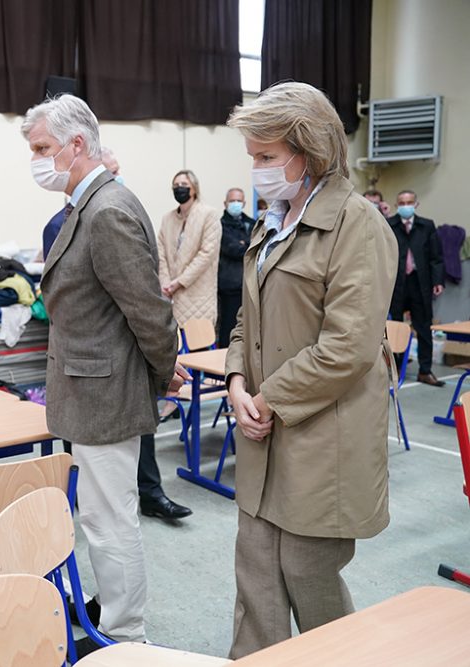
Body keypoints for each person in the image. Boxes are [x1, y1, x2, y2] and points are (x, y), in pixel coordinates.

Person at [225, 81, 397, 658]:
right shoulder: (269, 222)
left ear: (311, 149)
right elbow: (246, 324)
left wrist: (267, 399)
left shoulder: (357, 224)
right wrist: (235, 384)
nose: (257, 170)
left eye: (267, 157)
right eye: (252, 157)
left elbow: (347, 346)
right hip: (262, 431)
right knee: (255, 579)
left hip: (324, 440)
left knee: (308, 576)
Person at [22, 94, 187, 655]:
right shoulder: (87, 205)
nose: (37, 160)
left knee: (112, 520)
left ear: (76, 145)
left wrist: (164, 373)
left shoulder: (107, 210)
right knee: (98, 515)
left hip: (106, 394)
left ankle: (124, 633)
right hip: (90, 389)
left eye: (42, 148)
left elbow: (147, 309)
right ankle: (112, 605)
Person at [388, 190, 446, 386]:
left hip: (420, 282)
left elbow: (436, 257)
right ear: (397, 205)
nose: (406, 205)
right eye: (402, 202)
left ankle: (425, 370)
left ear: (416, 204)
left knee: (423, 326)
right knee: (395, 327)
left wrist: (438, 281)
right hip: (396, 284)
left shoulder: (426, 226)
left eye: (409, 202)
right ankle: (394, 368)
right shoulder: (390, 225)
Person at [157, 170, 222, 327]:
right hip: (171, 295)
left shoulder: (209, 215)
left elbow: (207, 254)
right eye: (176, 185)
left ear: (194, 188)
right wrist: (165, 283)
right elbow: (161, 254)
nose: (180, 188)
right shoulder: (168, 219)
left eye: (184, 185)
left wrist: (180, 282)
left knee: (200, 348)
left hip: (198, 295)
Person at [42, 147, 120, 260]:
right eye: (113, 172)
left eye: (117, 171)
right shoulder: (57, 227)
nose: (118, 177)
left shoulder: (121, 211)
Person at [217, 187, 256, 347]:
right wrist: (247, 244)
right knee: (228, 330)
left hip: (249, 285)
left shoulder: (252, 223)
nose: (235, 204)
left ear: (244, 203)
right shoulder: (220, 225)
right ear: (225, 203)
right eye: (232, 201)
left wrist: (244, 244)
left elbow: (257, 247)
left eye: (239, 201)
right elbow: (232, 248)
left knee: (248, 331)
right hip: (229, 287)